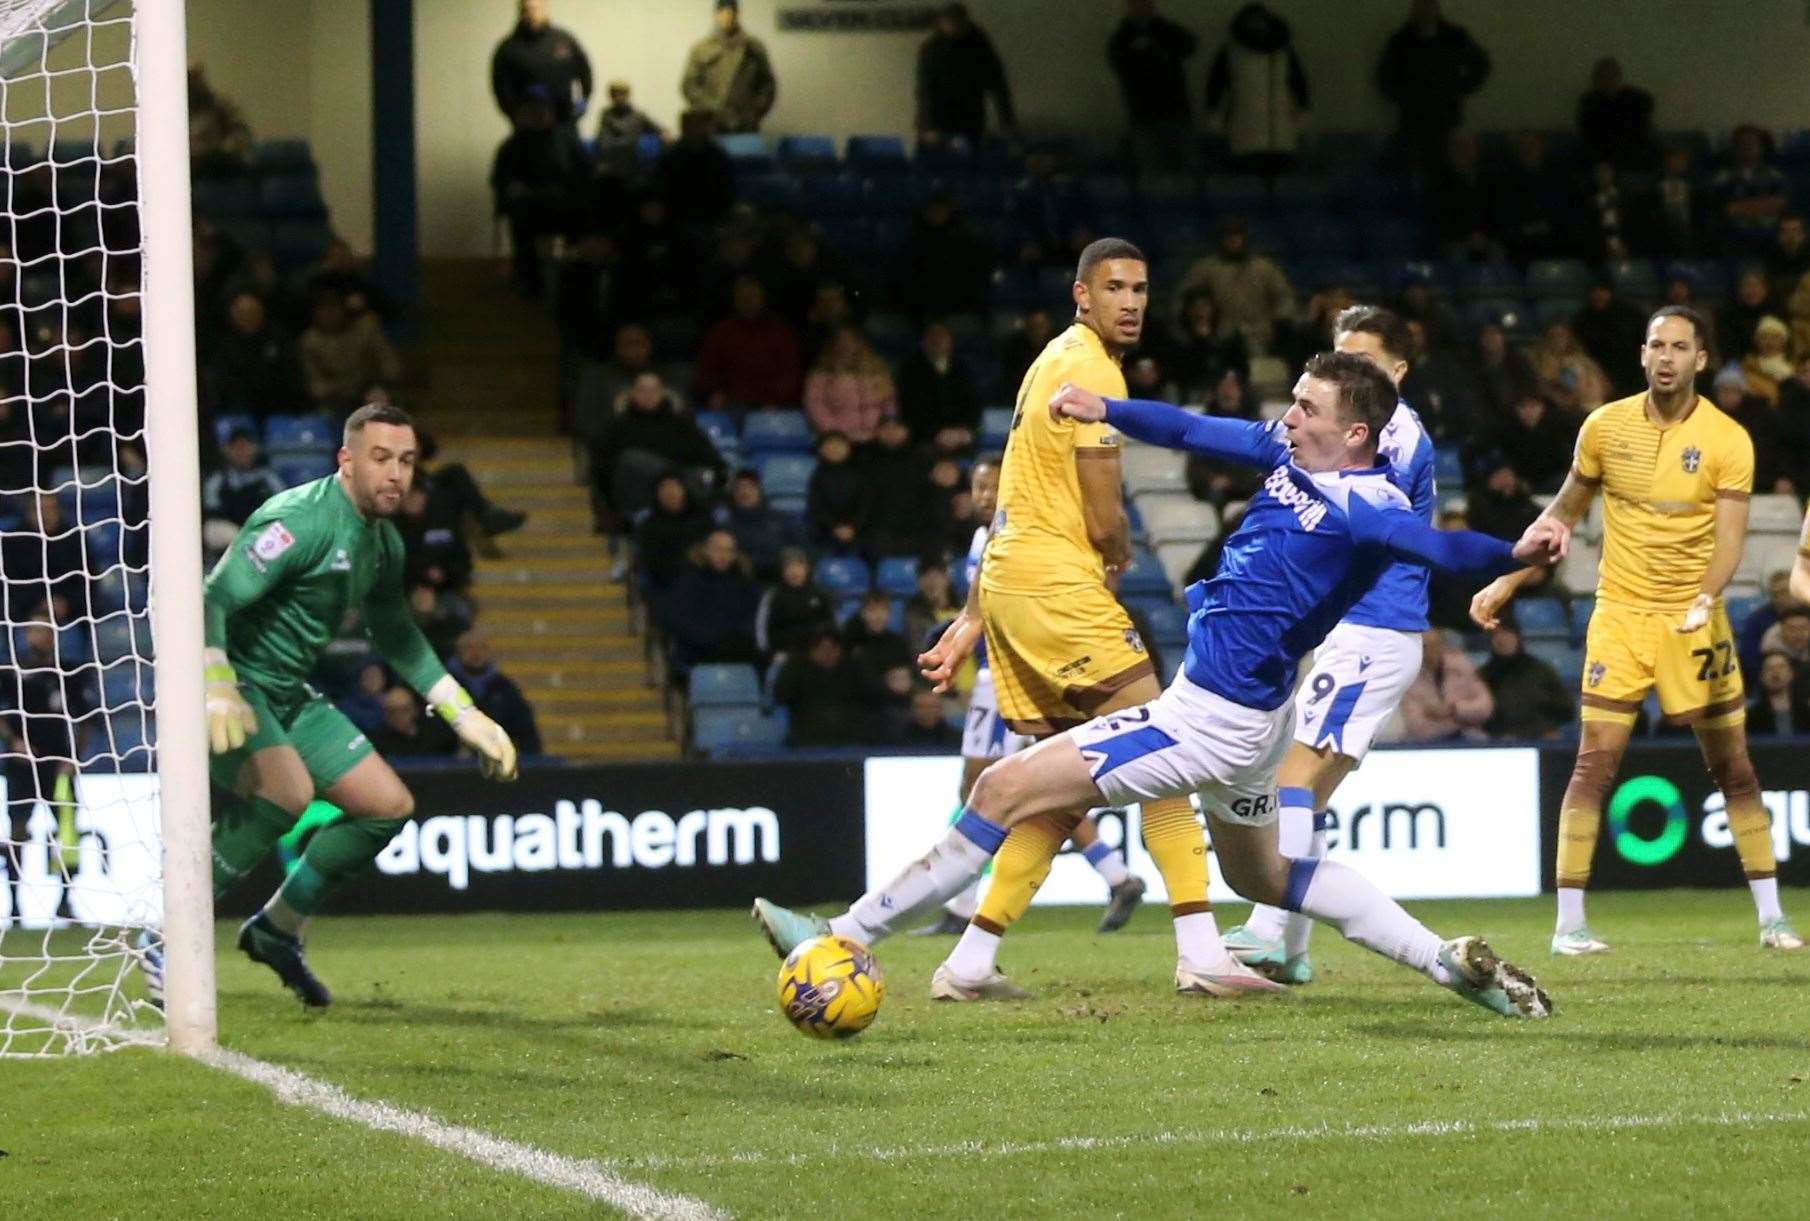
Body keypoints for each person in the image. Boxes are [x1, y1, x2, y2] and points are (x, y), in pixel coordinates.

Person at [766, 349, 1564, 1014]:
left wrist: (1517, 551)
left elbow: (1442, 550)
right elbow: (1189, 428)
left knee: (1002, 790)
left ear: (1353, 432)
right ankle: (1447, 962)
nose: (1289, 415)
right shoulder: (1292, 458)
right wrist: (1104, 408)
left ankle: (841, 934)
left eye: (1306, 407)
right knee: (1265, 875)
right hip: (1256, 719)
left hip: (1208, 718)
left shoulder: (1367, 507)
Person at [752, 240, 1262, 1001]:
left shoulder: (1051, 359)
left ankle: (965, 960)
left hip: (1018, 584)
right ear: (1081, 295)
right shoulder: (1092, 367)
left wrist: (973, 615)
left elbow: (1012, 508)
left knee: (1053, 790)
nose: (1131, 302)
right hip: (1058, 588)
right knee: (1165, 751)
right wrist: (1117, 550)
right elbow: (1099, 507)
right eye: (1115, 287)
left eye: (1142, 289)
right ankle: (1200, 950)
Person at [1473, 306, 1803, 955]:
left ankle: (1772, 918)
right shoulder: (1604, 426)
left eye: (1680, 346)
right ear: (1642, 354)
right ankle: (1569, 925)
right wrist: (1507, 580)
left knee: (1733, 766)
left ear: (1701, 359)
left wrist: (1707, 597)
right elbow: (1561, 516)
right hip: (1621, 615)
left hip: (1693, 617)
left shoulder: (1729, 438)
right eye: (1657, 344)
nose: (1667, 357)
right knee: (1594, 763)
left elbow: (1730, 542)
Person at [175, 404, 519, 1009]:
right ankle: (166, 935)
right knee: (286, 793)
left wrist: (463, 713)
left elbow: (398, 634)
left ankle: (276, 931)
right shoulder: (298, 522)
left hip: (285, 693)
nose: (396, 474)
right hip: (225, 684)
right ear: (346, 460)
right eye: (381, 458)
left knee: (386, 807)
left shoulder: (382, 543)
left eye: (407, 461)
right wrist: (215, 680)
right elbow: (215, 597)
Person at [1222, 306, 1440, 982]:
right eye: (1338, 357)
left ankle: (1268, 930)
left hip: (1375, 628)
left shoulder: (1395, 435)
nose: (1346, 373)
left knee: (1292, 778)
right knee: (1307, 791)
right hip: (1361, 628)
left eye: (1364, 362)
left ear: (1397, 372)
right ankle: (1288, 949)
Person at [910, 453, 1148, 938]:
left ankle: (964, 907)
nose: (981, 496)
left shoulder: (1022, 533)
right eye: (976, 487)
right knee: (1033, 793)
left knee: (984, 787)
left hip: (1012, 680)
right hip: (996, 677)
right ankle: (1117, 877)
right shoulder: (984, 536)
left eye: (990, 486)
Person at [589, 371, 725, 525]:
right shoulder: (616, 428)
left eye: (653, 390)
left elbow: (708, 456)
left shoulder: (681, 425)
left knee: (706, 476)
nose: (648, 395)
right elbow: (602, 468)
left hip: (682, 491)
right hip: (639, 497)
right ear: (632, 393)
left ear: (662, 393)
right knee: (632, 460)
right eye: (642, 390)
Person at [1375, 0, 1490, 169]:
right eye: (1420, 5)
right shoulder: (1401, 41)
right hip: (1414, 120)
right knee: (1417, 170)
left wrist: (1458, 89)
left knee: (1444, 168)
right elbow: (1384, 77)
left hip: (1444, 117)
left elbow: (1480, 65)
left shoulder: (1453, 37)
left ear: (1436, 7)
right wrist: (1404, 98)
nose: (1424, 10)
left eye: (1428, 5)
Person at [1205, 3, 1309, 178]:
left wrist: (1303, 111)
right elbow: (1216, 85)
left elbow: (1298, 82)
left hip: (1279, 135)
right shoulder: (1234, 52)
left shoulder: (1282, 52)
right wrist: (1215, 116)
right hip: (1250, 134)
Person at [1177, 217, 1294, 355]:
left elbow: (1284, 298)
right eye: (1229, 236)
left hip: (1261, 336)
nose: (1233, 240)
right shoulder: (1205, 270)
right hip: (1218, 338)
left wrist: (1281, 322)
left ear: (1245, 238)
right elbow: (1183, 299)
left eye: (1237, 235)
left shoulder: (1264, 269)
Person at [1106, 0, 1197, 179]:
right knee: (1153, 171)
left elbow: (1189, 46)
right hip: (1145, 114)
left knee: (1187, 171)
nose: (1141, 8)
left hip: (1173, 110)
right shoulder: (1122, 37)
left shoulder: (1167, 31)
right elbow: (1119, 64)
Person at [657, 530, 763, 674]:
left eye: (729, 551)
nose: (723, 555)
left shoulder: (745, 581)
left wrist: (737, 636)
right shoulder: (688, 580)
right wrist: (711, 638)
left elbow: (756, 615)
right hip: (699, 649)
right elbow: (676, 619)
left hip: (738, 646)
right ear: (706, 551)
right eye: (718, 550)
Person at [694, 276, 802, 411]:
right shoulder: (720, 332)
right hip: (731, 402)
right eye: (743, 297)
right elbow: (706, 369)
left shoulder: (779, 332)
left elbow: (790, 373)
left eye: (753, 296)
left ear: (762, 299)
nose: (748, 301)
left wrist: (775, 400)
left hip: (772, 405)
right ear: (735, 300)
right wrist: (714, 392)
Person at [915, 3, 1015, 149]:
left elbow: (998, 84)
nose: (953, 27)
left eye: (956, 22)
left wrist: (1007, 121)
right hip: (941, 119)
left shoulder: (979, 44)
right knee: (940, 164)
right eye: (950, 22)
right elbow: (925, 90)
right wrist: (928, 125)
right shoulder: (932, 48)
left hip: (970, 117)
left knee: (968, 161)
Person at [490, 0, 592, 129]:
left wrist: (583, 102)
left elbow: (585, 71)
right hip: (527, 129)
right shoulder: (508, 48)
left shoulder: (564, 41)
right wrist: (513, 114)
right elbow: (500, 88)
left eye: (535, 8)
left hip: (564, 124)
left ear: (544, 8)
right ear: (520, 11)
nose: (531, 13)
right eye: (526, 9)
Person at [680, 0, 776, 135]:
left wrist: (753, 112)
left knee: (743, 155)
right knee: (712, 155)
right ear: (716, 15)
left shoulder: (753, 48)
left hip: (745, 125)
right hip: (710, 124)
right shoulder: (701, 49)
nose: (726, 17)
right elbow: (689, 86)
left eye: (730, 13)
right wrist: (710, 108)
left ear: (737, 15)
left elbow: (767, 86)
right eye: (722, 13)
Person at [299, 293, 402, 416]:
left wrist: (380, 385)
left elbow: (390, 365)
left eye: (334, 309)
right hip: (333, 398)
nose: (329, 314)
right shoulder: (309, 341)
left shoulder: (366, 329)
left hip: (368, 390)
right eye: (323, 310)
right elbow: (315, 385)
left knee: (381, 404)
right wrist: (339, 389)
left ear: (344, 310)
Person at [205, 291, 306, 415]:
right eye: (242, 313)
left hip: (280, 410)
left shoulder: (279, 340)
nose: (247, 317)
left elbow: (293, 379)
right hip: (237, 412)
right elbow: (221, 384)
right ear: (232, 315)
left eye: (252, 312)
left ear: (261, 311)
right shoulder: (223, 346)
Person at [1480, 619, 1577, 739]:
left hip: (1542, 737)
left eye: (1506, 634)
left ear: (1517, 637)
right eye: (1496, 635)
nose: (1502, 639)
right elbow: (1482, 716)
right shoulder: (1485, 675)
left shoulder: (1540, 671)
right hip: (1501, 740)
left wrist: (1548, 728)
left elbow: (1566, 708)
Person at [1396, 628, 1494, 743]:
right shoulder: (1409, 679)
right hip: (1426, 745)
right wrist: (1460, 722)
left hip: (1469, 738)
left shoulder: (1462, 669)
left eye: (1436, 645)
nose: (1432, 651)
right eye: (1425, 647)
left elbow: (1485, 707)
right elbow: (1418, 726)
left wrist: (1453, 710)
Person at [803, 324, 897, 443]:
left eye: (851, 339)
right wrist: (834, 432)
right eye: (842, 340)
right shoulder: (820, 375)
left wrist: (887, 424)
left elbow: (889, 402)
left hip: (877, 434)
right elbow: (816, 406)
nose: (847, 344)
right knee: (835, 451)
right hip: (836, 436)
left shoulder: (877, 372)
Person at [897, 320, 980, 453]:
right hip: (925, 440)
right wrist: (935, 434)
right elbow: (911, 410)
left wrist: (964, 431)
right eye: (932, 336)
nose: (937, 341)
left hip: (960, 436)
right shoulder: (910, 371)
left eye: (942, 336)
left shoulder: (962, 370)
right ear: (923, 341)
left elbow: (973, 404)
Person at [203, 428, 286, 554]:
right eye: (236, 448)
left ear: (255, 449)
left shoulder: (268, 478)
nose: (242, 452)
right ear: (227, 451)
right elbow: (213, 512)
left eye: (246, 447)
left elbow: (283, 507)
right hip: (231, 533)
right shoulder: (218, 480)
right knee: (212, 529)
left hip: (260, 533)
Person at [1712, 125, 1790, 254]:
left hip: (1771, 236)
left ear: (1761, 147)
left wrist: (1743, 206)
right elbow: (1728, 210)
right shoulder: (1722, 178)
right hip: (1736, 238)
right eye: (1743, 143)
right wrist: (1765, 205)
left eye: (1752, 143)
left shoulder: (1775, 176)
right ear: (1735, 147)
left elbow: (1781, 204)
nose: (1748, 147)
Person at [1575, 57, 1655, 172]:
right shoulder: (1590, 101)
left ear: (1618, 78)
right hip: (1600, 152)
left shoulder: (1634, 98)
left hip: (1631, 149)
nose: (1608, 81)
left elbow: (1647, 107)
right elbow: (1587, 133)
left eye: (1612, 77)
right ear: (1596, 80)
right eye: (1603, 77)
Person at [594, 80, 664, 179]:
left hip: (631, 163)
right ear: (611, 96)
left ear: (628, 95)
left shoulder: (638, 116)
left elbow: (658, 129)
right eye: (615, 94)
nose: (619, 97)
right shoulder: (606, 115)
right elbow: (603, 141)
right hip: (610, 163)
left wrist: (664, 134)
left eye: (622, 94)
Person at [367, 686, 460, 760]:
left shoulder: (437, 736)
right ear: (384, 713)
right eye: (392, 711)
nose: (399, 716)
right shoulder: (376, 743)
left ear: (414, 710)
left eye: (405, 710)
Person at [1744, 650, 1807, 737]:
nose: (1776, 672)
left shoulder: (1806, 712)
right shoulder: (1751, 716)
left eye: (1781, 667)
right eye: (1770, 668)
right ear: (1762, 677)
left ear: (1791, 674)